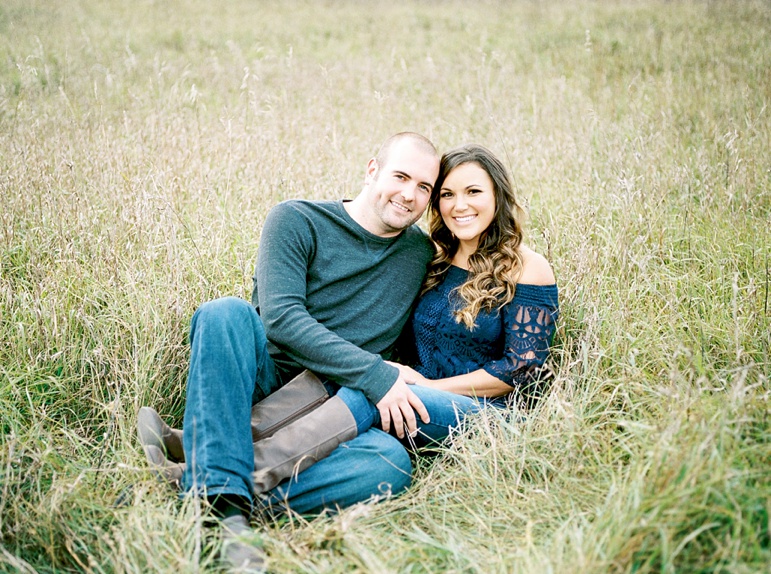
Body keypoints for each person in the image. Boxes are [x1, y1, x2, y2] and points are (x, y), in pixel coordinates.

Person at [137, 132, 440, 571]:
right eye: (401, 176)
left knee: (388, 464)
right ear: (372, 170)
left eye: (424, 187)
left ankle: (198, 471)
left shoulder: (419, 254)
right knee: (225, 314)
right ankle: (226, 513)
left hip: (329, 413)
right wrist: (375, 375)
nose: (410, 195)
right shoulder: (296, 219)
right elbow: (281, 320)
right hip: (264, 383)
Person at [333, 142, 559, 449]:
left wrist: (431, 386)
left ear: (498, 196)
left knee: (368, 393)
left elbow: (523, 367)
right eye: (447, 195)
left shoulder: (526, 268)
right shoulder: (433, 258)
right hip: (425, 397)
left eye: (473, 192)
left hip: (491, 415)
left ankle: (264, 462)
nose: (459, 205)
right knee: (357, 389)